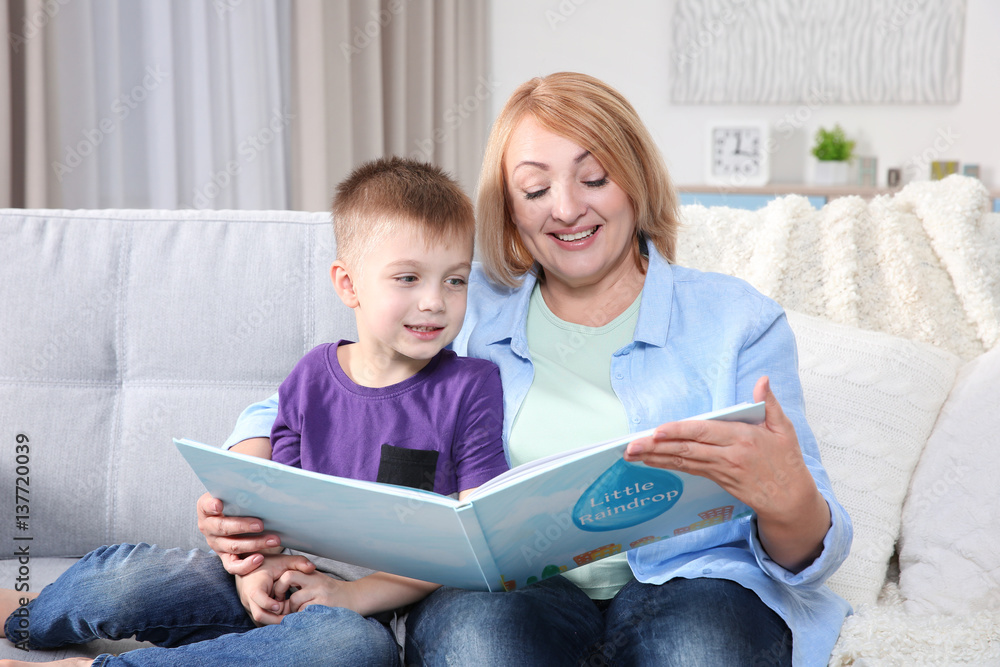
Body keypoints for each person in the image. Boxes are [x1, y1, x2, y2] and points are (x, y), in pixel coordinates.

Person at [200, 73, 853, 666]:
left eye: (593, 178)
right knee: (481, 643)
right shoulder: (463, 304)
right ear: (510, 209)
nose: (565, 208)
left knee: (699, 649)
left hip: (700, 581)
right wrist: (245, 499)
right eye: (536, 189)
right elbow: (316, 397)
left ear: (637, 181)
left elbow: (812, 549)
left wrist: (786, 497)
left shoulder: (737, 320)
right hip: (511, 586)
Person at [0, 157, 509, 667]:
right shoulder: (312, 375)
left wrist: (353, 595)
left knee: (347, 651)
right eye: (408, 278)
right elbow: (273, 500)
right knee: (127, 582)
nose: (434, 302)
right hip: (275, 578)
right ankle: (26, 614)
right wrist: (254, 573)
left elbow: (470, 540)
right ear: (348, 284)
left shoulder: (473, 386)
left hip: (369, 609)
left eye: (455, 281)